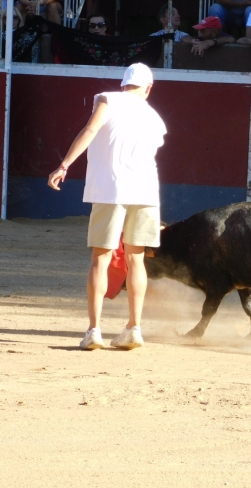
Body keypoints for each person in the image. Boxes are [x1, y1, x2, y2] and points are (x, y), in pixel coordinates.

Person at [47, 63, 167, 351]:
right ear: (149, 88)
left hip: (111, 189)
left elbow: (91, 130)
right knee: (135, 260)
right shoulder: (155, 118)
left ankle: (94, 330)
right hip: (147, 192)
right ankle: (134, 328)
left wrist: (64, 165)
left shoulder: (107, 98)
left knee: (101, 259)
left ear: (124, 83)